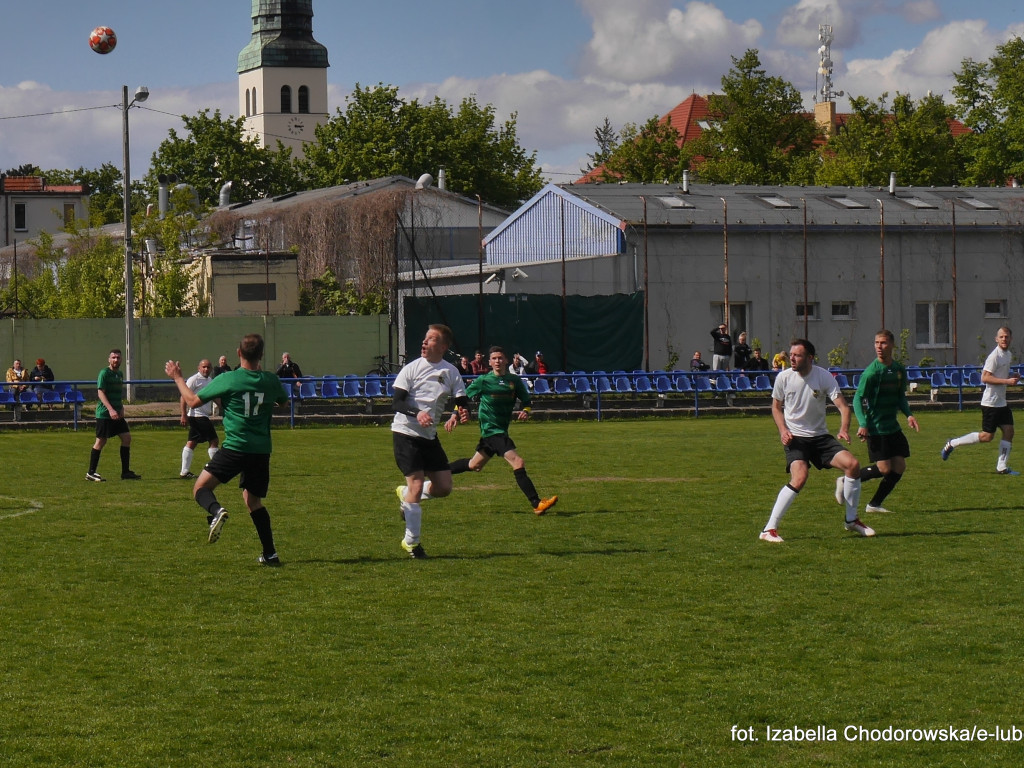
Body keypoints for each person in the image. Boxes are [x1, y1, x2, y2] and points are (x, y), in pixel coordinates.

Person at [165, 334, 290, 566]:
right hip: (261, 450)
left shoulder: (230, 379)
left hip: (235, 447)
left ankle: (216, 511)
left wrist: (178, 377)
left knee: (200, 488)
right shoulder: (270, 380)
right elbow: (283, 402)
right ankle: (270, 553)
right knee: (253, 501)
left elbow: (192, 401)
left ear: (238, 353)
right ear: (261, 355)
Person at [759, 338, 874, 543]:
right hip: (796, 438)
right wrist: (783, 430)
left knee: (853, 465)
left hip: (820, 438)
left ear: (810, 358)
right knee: (800, 477)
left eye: (797, 355)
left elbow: (843, 407)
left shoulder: (823, 376)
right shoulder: (783, 378)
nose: (791, 358)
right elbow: (776, 408)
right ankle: (769, 529)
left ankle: (851, 520)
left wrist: (843, 429)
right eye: (791, 354)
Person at [446, 345, 559, 515]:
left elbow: (527, 402)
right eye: (494, 358)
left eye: (500, 358)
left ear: (506, 360)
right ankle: (536, 503)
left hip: (498, 432)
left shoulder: (514, 381)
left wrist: (525, 411)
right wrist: (455, 413)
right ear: (490, 362)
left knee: (474, 465)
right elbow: (462, 397)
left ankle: (438, 471)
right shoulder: (483, 380)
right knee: (518, 462)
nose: (498, 361)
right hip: (492, 431)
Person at [391, 323, 471, 559]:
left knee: (444, 488)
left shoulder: (451, 372)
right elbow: (396, 403)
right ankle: (412, 543)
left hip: (430, 437)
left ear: (444, 346)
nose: (425, 342)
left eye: (432, 339)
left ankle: (406, 493)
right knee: (417, 485)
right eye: (425, 338)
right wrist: (417, 413)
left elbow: (462, 400)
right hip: (405, 433)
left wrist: (459, 413)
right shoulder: (411, 369)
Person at [849, 329, 920, 514]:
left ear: (892, 345)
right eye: (876, 343)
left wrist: (909, 415)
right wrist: (863, 424)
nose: (879, 347)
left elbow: (900, 397)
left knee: (899, 467)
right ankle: (846, 479)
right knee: (884, 468)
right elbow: (858, 399)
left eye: (883, 343)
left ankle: (874, 505)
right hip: (876, 428)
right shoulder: (871, 373)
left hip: (893, 427)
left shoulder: (898, 370)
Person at [942, 326, 1020, 474]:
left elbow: (1001, 373)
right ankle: (952, 443)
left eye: (1007, 337)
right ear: (996, 339)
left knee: (1009, 431)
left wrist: (1013, 375)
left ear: (1011, 339)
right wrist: (1006, 382)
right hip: (990, 403)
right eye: (1001, 337)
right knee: (986, 436)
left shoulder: (1008, 354)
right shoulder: (994, 356)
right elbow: (985, 377)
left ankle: (1002, 467)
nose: (1004, 339)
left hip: (1001, 403)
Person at [86, 349, 141, 482]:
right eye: (113, 357)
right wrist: (110, 409)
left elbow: (117, 393)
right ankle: (90, 473)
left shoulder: (120, 374)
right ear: (109, 359)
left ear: (121, 360)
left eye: (118, 358)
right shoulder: (104, 373)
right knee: (101, 441)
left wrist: (121, 407)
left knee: (126, 438)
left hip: (117, 413)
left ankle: (125, 472)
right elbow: (101, 393)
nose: (116, 360)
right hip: (105, 414)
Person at [178, 359, 221, 479]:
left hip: (202, 416)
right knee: (214, 441)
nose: (206, 369)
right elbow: (183, 397)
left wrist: (224, 407)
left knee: (192, 442)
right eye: (203, 367)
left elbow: (214, 397)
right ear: (199, 368)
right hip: (197, 416)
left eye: (208, 367)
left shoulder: (210, 381)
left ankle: (184, 472)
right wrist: (183, 414)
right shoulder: (194, 380)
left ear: (211, 369)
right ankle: (217, 469)